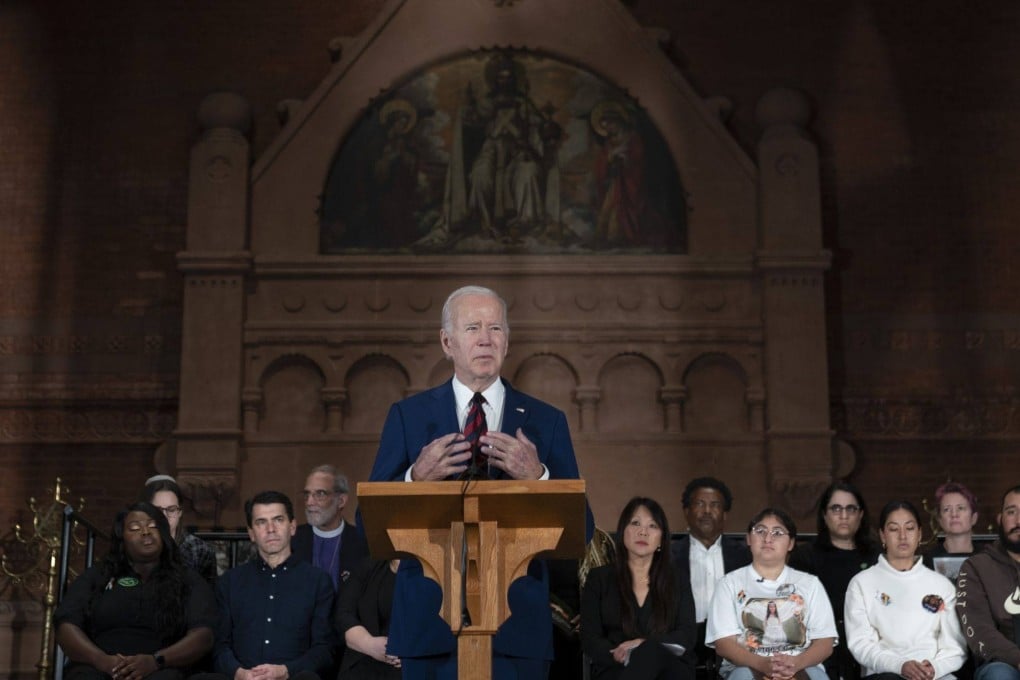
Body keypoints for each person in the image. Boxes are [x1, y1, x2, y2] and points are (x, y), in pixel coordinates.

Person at [366, 284, 593, 679]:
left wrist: (537, 477)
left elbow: (582, 529)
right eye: (472, 327)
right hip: (428, 625)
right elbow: (365, 521)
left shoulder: (545, 420)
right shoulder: (409, 416)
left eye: (496, 328)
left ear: (507, 341)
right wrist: (415, 478)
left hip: (516, 629)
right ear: (446, 341)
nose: (486, 339)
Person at [54, 502, 216, 680]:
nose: (146, 531)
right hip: (100, 667)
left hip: (163, 668)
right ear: (121, 538)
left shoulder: (187, 579)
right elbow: (66, 625)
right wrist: (104, 661)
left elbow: (203, 635)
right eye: (134, 528)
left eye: (153, 526)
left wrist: (156, 661)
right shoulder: (99, 575)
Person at [198, 491, 335, 680]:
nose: (271, 529)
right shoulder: (230, 582)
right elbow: (220, 645)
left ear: (292, 526)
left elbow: (325, 649)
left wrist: (285, 671)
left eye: (278, 520)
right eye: (261, 522)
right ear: (251, 533)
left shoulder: (318, 581)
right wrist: (240, 674)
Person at [706, 508, 837, 680]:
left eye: (777, 533)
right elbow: (724, 644)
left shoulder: (810, 584)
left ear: (790, 543)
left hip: (800, 664)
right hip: (747, 666)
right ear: (748, 539)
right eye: (760, 531)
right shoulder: (729, 584)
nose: (768, 539)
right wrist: (762, 664)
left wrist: (795, 663)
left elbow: (825, 642)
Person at [844, 500, 966, 680]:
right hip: (884, 674)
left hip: (934, 675)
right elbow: (861, 644)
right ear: (883, 536)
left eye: (909, 528)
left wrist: (933, 668)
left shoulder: (942, 585)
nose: (902, 536)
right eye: (894, 529)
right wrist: (899, 666)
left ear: (919, 534)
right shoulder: (861, 583)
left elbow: (955, 647)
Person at [580, 496, 697, 680]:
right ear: (623, 531)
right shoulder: (599, 579)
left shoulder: (677, 579)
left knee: (649, 650)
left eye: (653, 526)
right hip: (616, 666)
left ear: (661, 540)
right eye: (635, 523)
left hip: (669, 670)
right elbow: (589, 638)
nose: (643, 532)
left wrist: (643, 645)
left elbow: (687, 635)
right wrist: (618, 654)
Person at [790, 481, 879, 680]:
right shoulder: (805, 557)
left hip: (871, 644)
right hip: (820, 646)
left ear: (861, 514)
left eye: (851, 509)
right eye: (836, 508)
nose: (844, 515)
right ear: (824, 514)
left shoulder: (877, 557)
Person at [671, 477, 751, 673]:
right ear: (686, 512)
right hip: (683, 644)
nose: (707, 511)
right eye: (700, 504)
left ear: (724, 515)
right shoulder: (668, 557)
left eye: (714, 505)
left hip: (735, 643)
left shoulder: (745, 556)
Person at [955, 485, 1020, 680]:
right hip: (1003, 664)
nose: (1018, 520)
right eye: (1011, 512)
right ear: (1000, 519)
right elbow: (978, 629)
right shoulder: (976, 567)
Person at [292, 464, 368, 592]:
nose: (310, 502)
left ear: (341, 501)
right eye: (307, 494)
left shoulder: (362, 543)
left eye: (320, 494)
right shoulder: (292, 540)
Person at [334, 559, 402, 680]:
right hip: (363, 663)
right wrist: (369, 644)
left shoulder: (436, 568)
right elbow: (343, 614)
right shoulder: (367, 567)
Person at [142, 475, 218, 583]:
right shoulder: (135, 547)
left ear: (179, 513)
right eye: (157, 510)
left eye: (171, 510)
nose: (164, 516)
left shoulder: (199, 550)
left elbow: (208, 595)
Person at [923, 482, 980, 581]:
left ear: (974, 518)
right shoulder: (927, 561)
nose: (954, 514)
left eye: (960, 508)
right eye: (947, 509)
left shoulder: (988, 559)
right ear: (940, 519)